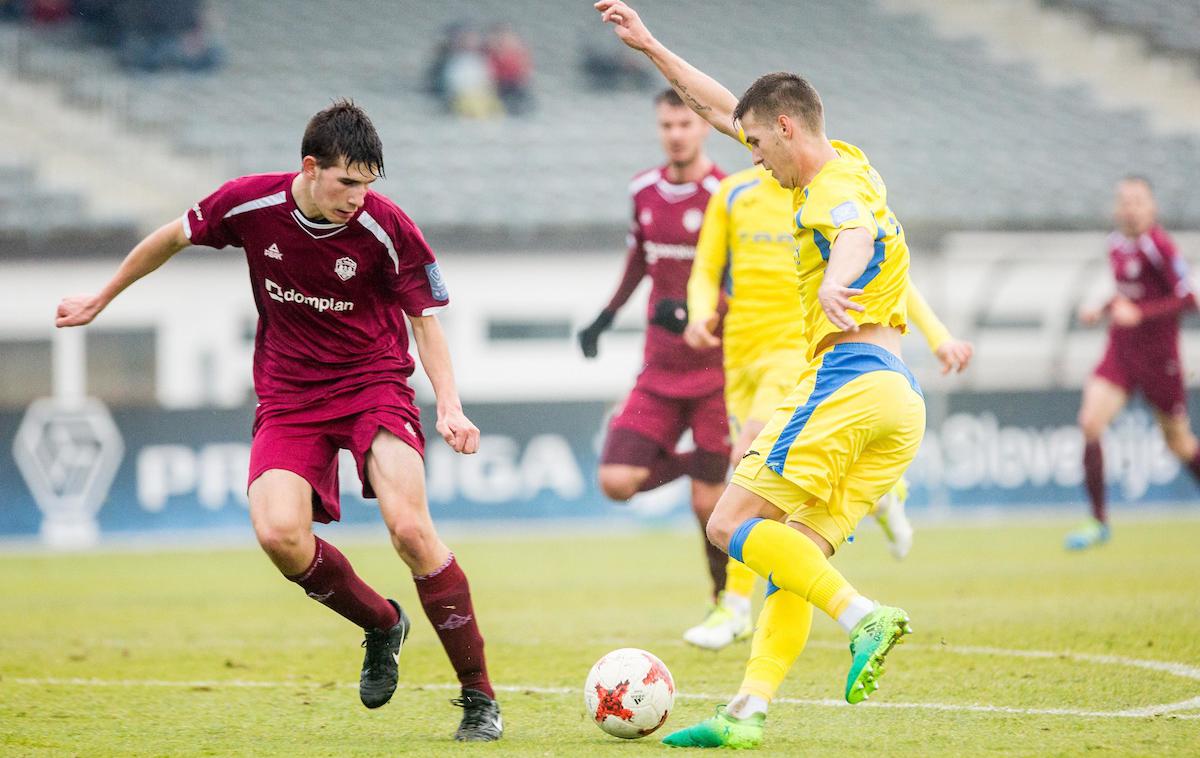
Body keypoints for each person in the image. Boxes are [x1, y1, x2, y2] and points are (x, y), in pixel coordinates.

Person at [54, 101, 503, 743]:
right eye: (347, 182)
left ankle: (479, 698)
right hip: (289, 397)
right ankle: (382, 624)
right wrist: (103, 295)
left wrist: (450, 405)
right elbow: (171, 237)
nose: (359, 198)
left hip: (373, 384)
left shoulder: (387, 227)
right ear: (310, 167)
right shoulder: (248, 204)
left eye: (369, 184)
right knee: (279, 537)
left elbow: (424, 321)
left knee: (409, 528)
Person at [597, 1, 928, 747]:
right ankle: (747, 712)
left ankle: (861, 615)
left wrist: (840, 280)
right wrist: (651, 47)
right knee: (792, 552)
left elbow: (854, 231)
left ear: (787, 129)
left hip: (846, 379)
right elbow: (722, 108)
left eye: (755, 143)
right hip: (899, 404)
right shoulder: (850, 160)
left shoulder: (830, 194)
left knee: (731, 523)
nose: (748, 156)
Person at [682, 163, 972, 650]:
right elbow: (707, 269)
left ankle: (733, 607)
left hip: (800, 352)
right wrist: (697, 315)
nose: (759, 151)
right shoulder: (732, 195)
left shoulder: (822, 192)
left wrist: (939, 337)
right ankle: (885, 496)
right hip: (741, 357)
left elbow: (889, 268)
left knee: (746, 462)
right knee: (779, 493)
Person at [578, 88, 731, 626]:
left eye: (685, 124)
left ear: (704, 127)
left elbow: (745, 285)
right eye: (667, 125)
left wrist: (701, 318)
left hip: (717, 370)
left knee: (707, 509)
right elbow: (639, 262)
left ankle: (723, 605)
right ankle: (717, 463)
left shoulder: (726, 195)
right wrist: (604, 317)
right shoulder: (643, 189)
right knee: (617, 481)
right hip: (659, 369)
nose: (676, 134)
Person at [1068, 175, 1199, 550]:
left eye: (1138, 201)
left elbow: (1190, 298)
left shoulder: (1159, 246)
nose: (1130, 207)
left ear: (1152, 207)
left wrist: (1139, 314)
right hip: (1121, 352)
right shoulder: (1115, 245)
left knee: (1179, 443)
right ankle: (1098, 522)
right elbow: (1127, 294)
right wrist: (1103, 309)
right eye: (1124, 200)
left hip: (1160, 359)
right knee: (1090, 422)